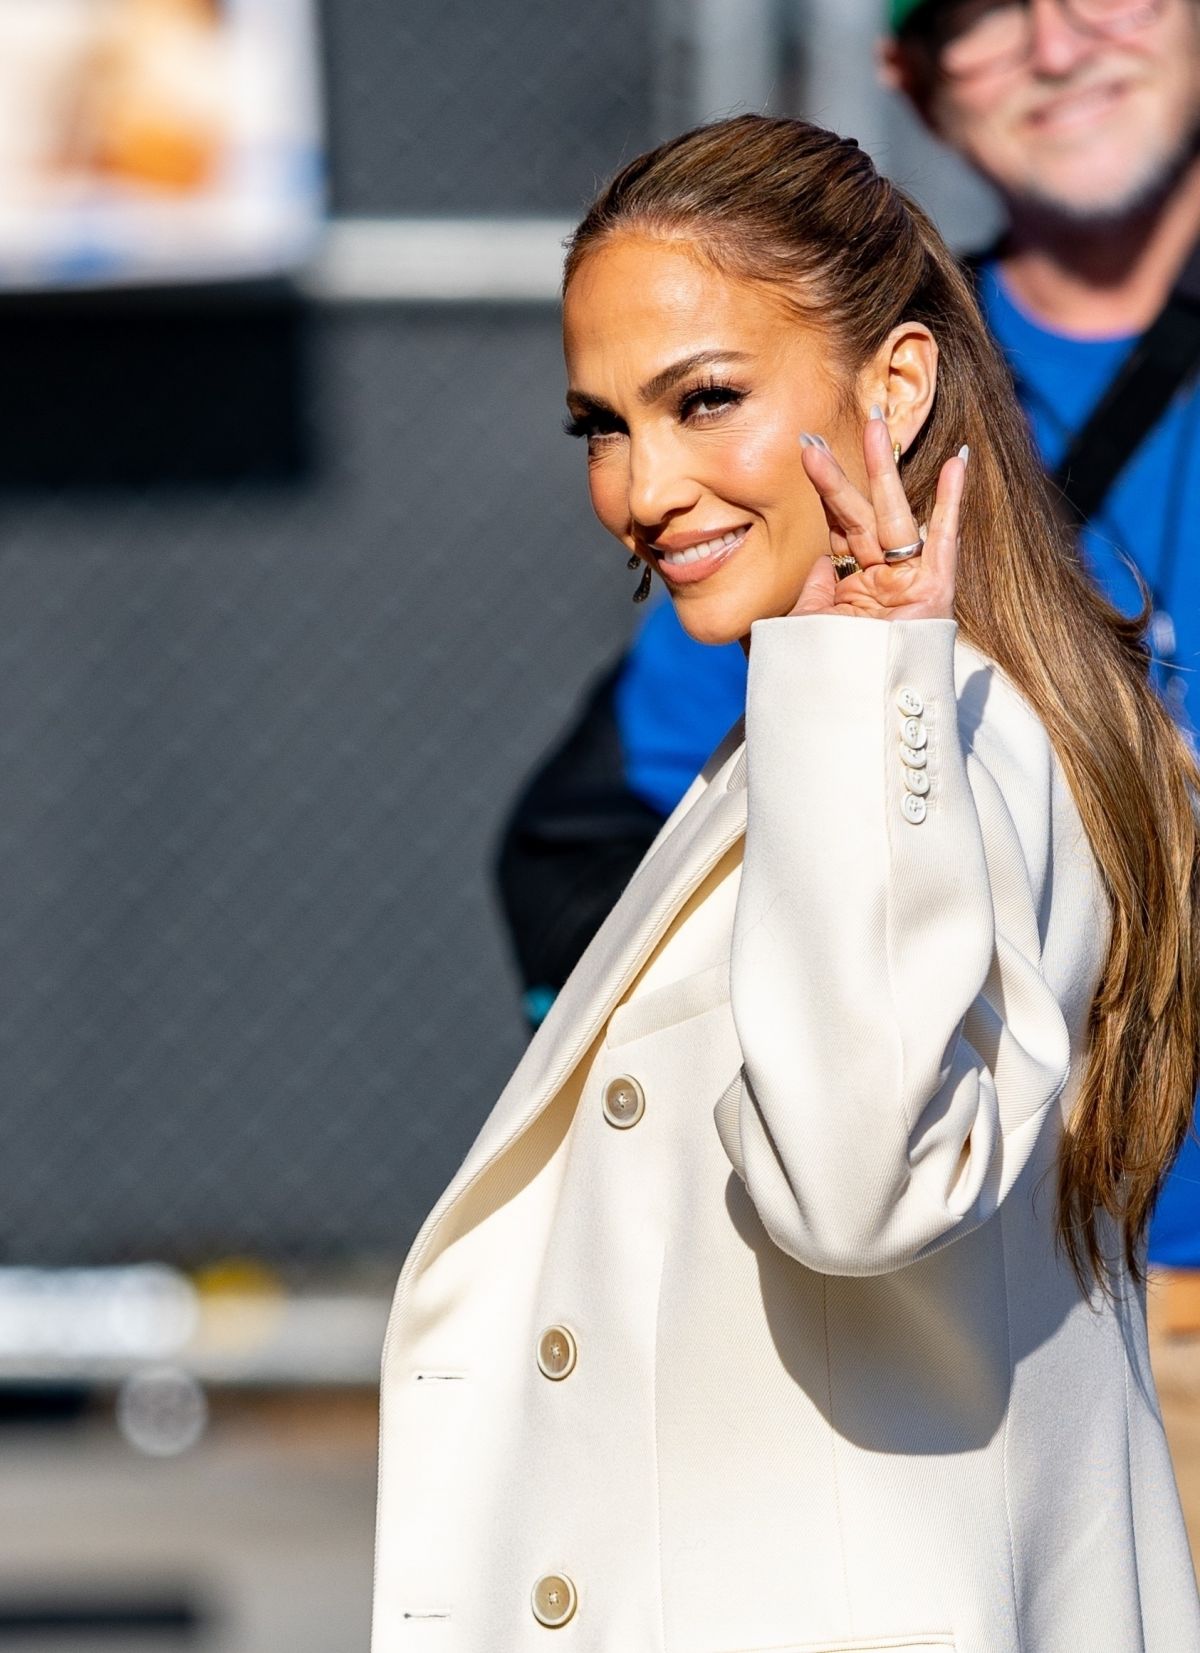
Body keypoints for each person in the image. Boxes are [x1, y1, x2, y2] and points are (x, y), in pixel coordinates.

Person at [375, 115, 1200, 1650]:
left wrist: (856, 679)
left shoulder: (951, 736)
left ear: (894, 384)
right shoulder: (865, 725)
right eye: (602, 425)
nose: (641, 486)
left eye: (706, 400)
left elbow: (853, 1186)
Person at [497, 0, 1200, 1268]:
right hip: (1014, 1287)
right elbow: (602, 849)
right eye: (983, 12)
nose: (1057, 43)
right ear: (911, 74)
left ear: (907, 385)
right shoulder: (801, 436)